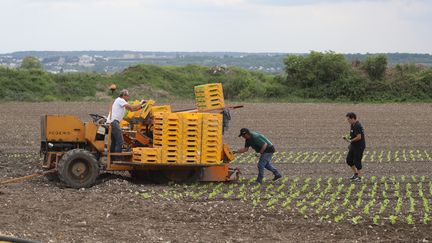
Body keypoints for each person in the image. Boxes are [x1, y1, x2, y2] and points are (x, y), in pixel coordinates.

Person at [108, 89, 145, 160]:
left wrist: (141, 105)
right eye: (128, 96)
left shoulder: (119, 101)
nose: (128, 98)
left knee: (114, 141)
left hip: (112, 122)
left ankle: (112, 158)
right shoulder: (120, 100)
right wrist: (142, 104)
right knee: (120, 141)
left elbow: (132, 109)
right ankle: (117, 158)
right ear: (124, 95)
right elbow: (131, 108)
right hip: (113, 122)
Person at [343, 112, 366, 182]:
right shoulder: (353, 125)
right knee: (349, 160)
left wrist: (350, 141)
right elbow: (353, 135)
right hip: (354, 146)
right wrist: (347, 138)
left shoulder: (357, 125)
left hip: (359, 146)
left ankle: (360, 177)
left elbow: (359, 137)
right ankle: (355, 173)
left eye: (348, 119)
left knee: (357, 161)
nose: (348, 121)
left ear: (353, 118)